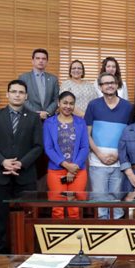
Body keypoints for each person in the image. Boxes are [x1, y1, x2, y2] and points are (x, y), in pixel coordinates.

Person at [0, 80, 43, 253]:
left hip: (25, 176)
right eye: (14, 91)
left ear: (26, 96)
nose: (17, 95)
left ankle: (27, 252)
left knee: (28, 217)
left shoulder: (33, 118)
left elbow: (38, 146)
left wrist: (21, 163)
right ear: (7, 94)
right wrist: (3, 161)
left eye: (21, 92)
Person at [86, 72, 133, 219]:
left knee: (117, 202)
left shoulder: (128, 107)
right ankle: (102, 235)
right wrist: (99, 154)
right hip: (97, 161)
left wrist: (119, 154)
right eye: (105, 83)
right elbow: (86, 134)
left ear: (117, 84)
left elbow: (131, 136)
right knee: (100, 201)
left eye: (112, 82)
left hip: (120, 161)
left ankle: (117, 235)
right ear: (100, 87)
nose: (109, 85)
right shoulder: (93, 105)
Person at [43, 91, 90, 219]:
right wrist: (66, 165)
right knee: (57, 208)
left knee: (75, 208)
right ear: (58, 103)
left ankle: (75, 238)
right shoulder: (49, 123)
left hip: (78, 170)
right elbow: (48, 148)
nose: (68, 106)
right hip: (56, 170)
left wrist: (73, 167)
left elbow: (84, 147)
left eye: (71, 103)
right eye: (65, 103)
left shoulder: (81, 122)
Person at [19, 48, 59, 120]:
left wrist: (47, 112)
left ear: (47, 62)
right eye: (38, 58)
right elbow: (23, 98)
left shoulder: (53, 79)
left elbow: (56, 99)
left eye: (44, 59)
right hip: (29, 118)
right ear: (32, 61)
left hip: (49, 118)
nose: (41, 61)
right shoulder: (23, 77)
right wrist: (36, 113)